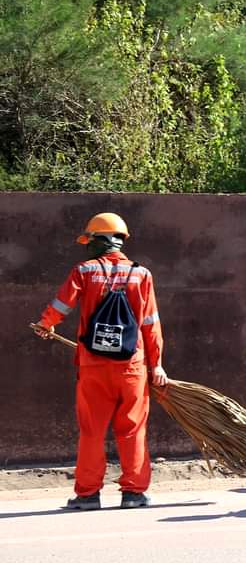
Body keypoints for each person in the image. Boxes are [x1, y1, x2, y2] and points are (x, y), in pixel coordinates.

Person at [33, 212, 168, 510]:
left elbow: (61, 304)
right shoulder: (141, 274)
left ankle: (87, 495)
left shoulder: (84, 271)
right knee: (132, 429)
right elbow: (151, 324)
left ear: (102, 240)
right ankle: (133, 493)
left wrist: (46, 324)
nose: (87, 246)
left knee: (92, 431)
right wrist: (156, 364)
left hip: (93, 366)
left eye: (90, 240)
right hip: (132, 367)